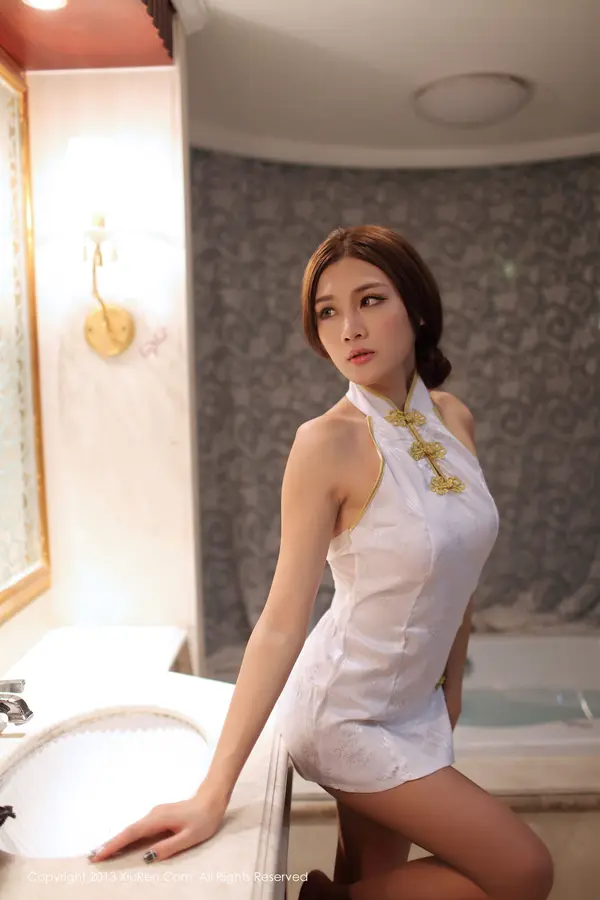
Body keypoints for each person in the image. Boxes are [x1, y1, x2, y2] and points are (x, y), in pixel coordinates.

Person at [88, 226, 554, 900]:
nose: (348, 328)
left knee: (374, 880)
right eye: (327, 311)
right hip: (345, 712)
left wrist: (450, 690)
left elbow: (461, 570)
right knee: (523, 872)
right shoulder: (326, 443)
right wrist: (213, 793)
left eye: (370, 300)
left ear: (417, 308)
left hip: (417, 704)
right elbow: (282, 622)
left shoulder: (454, 419)